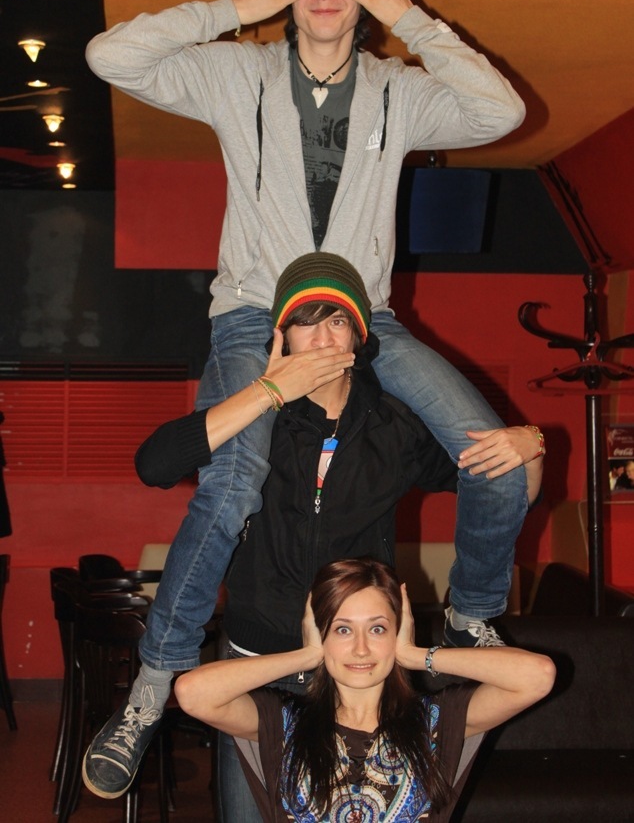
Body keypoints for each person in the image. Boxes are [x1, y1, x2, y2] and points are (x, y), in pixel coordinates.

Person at [84, 0, 528, 795]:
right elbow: (109, 56)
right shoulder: (234, 73)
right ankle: (150, 689)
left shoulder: (398, 89)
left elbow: (503, 111)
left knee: (497, 458)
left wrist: (414, 19)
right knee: (234, 480)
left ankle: (472, 621)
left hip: (368, 319)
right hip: (257, 317)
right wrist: (231, 7)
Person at [82, 254, 544, 810]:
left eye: (337, 321)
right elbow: (153, 465)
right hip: (259, 666)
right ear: (282, 336)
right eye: (306, 322)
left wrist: (531, 446)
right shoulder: (255, 424)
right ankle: (146, 695)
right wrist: (268, 391)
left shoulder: (394, 424)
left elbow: (504, 494)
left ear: (359, 336)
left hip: (357, 668)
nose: (322, 339)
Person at [175, 556, 556, 822]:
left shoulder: (436, 722)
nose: (361, 648)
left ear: (397, 632)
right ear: (321, 634)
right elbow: (193, 692)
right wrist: (306, 655)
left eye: (377, 629)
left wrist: (416, 654)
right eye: (342, 629)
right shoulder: (284, 724)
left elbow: (537, 675)